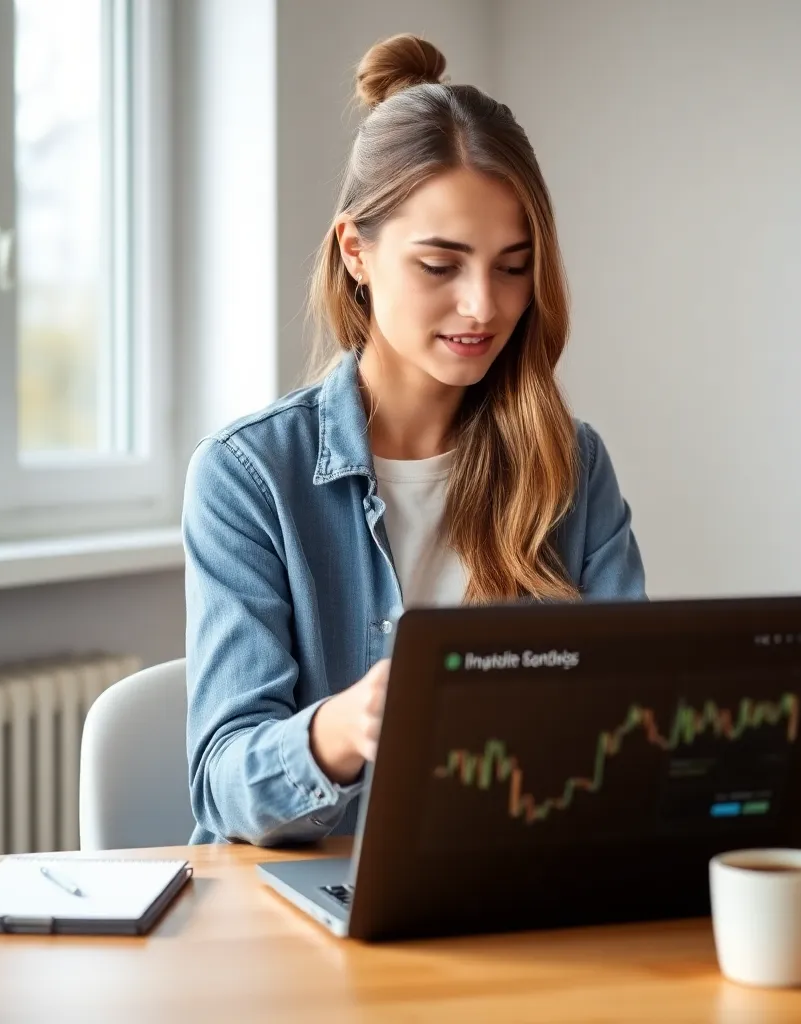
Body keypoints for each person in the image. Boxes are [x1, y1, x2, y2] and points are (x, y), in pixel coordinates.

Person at [182, 34, 646, 847]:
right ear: (356, 252)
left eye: (513, 266)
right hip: (303, 914)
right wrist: (342, 730)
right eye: (441, 265)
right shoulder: (249, 476)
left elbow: (633, 720)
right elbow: (222, 782)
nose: (483, 307)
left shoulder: (571, 467)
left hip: (508, 889)